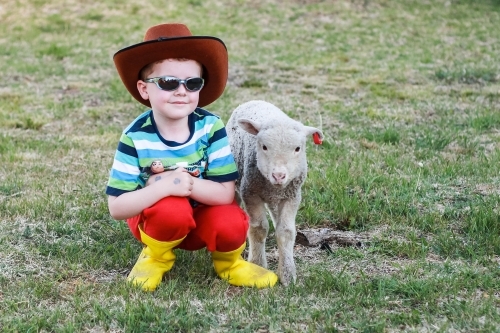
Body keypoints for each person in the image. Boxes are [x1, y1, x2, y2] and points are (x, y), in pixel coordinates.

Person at [106, 23, 278, 291]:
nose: (181, 91)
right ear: (144, 89)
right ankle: (155, 257)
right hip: (157, 221)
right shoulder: (135, 137)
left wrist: (184, 182)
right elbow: (117, 208)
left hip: (202, 216)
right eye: (168, 82)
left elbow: (224, 194)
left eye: (192, 83)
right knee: (171, 210)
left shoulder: (211, 128)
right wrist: (164, 188)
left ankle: (230, 263)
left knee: (232, 220)